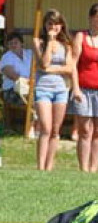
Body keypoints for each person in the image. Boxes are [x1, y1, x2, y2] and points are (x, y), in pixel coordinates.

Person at [69, 5, 98, 174]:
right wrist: (75, 88)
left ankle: (94, 169)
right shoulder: (81, 37)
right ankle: (84, 169)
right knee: (84, 130)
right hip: (84, 89)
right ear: (91, 18)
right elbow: (73, 63)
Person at [32, 9, 74, 172]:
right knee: (45, 128)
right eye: (50, 23)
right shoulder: (38, 42)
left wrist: (52, 70)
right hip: (43, 88)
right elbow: (43, 63)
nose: (54, 26)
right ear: (45, 25)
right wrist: (50, 41)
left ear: (61, 25)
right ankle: (40, 166)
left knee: (56, 130)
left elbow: (69, 68)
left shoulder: (67, 45)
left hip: (61, 89)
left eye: (57, 23)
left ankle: (50, 166)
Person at [1, 32, 33, 107]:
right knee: (36, 99)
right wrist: (29, 82)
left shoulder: (30, 53)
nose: (13, 45)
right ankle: (36, 117)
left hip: (30, 88)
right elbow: (12, 75)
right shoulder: (6, 57)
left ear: (21, 43)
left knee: (44, 96)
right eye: (10, 43)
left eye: (15, 42)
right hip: (13, 90)